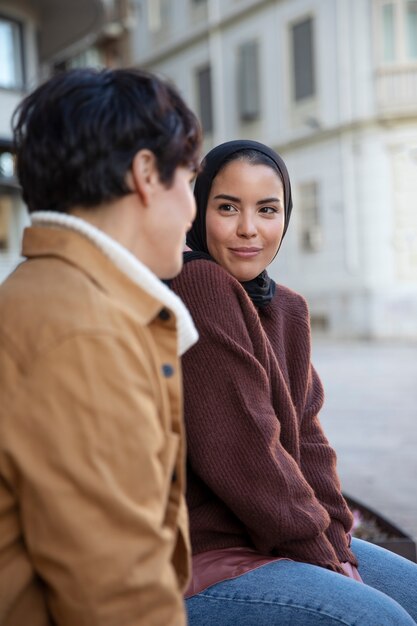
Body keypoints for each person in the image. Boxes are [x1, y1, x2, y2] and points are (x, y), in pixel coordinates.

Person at [171, 139, 417, 625]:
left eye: (268, 209)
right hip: (209, 557)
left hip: (281, 542)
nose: (249, 229)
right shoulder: (197, 283)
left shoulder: (287, 308)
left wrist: (339, 543)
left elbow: (309, 441)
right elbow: (247, 455)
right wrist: (324, 557)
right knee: (376, 619)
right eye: (227, 208)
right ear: (198, 213)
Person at [0, 68, 202, 625]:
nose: (193, 208)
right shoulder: (86, 333)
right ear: (144, 174)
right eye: (188, 180)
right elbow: (120, 600)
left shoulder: (51, 295)